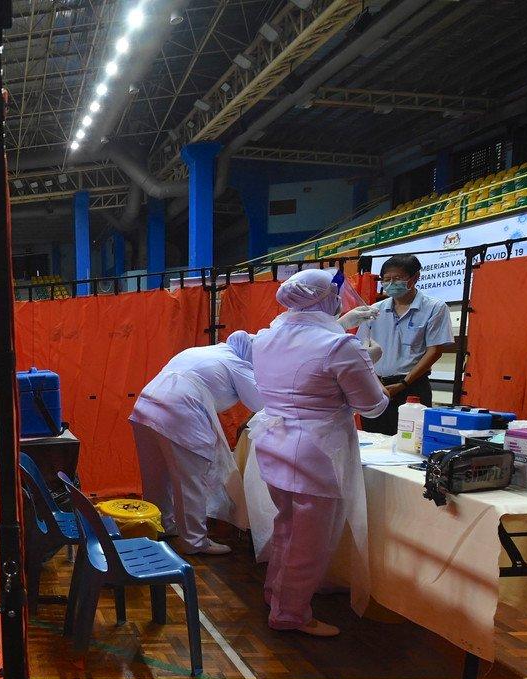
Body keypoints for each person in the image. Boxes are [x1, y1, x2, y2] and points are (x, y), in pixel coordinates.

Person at [250, 269, 388, 638]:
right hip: (317, 452)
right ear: (326, 300)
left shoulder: (265, 337)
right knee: (310, 541)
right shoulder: (339, 346)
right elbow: (372, 406)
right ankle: (291, 613)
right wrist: (370, 361)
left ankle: (277, 594)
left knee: (287, 525)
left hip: (275, 444)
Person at [130, 331, 264, 556]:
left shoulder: (205, 351)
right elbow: (260, 402)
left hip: (146, 407)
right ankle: (194, 542)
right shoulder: (238, 364)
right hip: (178, 413)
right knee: (191, 481)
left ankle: (161, 525)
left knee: (155, 477)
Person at [356, 254, 454, 434]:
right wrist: (375, 383)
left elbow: (434, 351)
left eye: (398, 278)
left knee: (410, 444)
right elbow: (361, 349)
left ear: (415, 277)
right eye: (386, 279)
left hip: (412, 388)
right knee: (373, 443)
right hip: (377, 386)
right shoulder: (374, 310)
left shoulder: (434, 307)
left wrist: (403, 384)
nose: (391, 283)